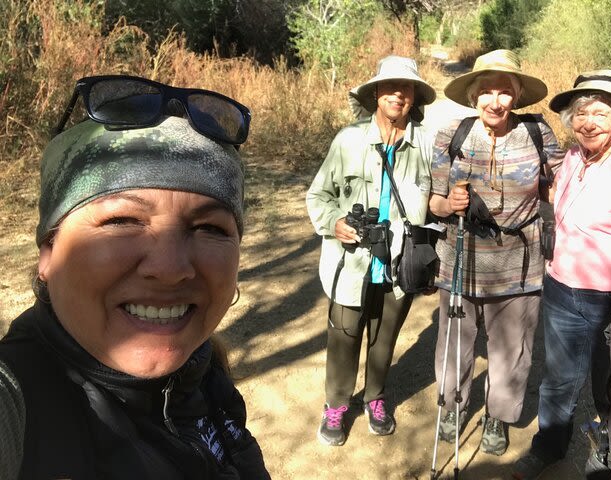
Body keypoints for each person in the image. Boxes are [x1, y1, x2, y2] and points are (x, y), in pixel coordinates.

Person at [0, 75, 270, 479]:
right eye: (122, 220)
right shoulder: (18, 401)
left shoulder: (203, 369)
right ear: (48, 254)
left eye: (209, 228)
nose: (171, 268)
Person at [512, 70, 611, 479]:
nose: (588, 122)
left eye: (600, 113)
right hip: (563, 291)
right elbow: (559, 204)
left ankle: (609, 453)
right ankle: (548, 448)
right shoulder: (571, 159)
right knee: (558, 382)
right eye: (581, 113)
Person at [429, 49, 563, 456]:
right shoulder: (451, 135)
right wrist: (447, 204)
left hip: (519, 262)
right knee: (455, 339)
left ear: (517, 96)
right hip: (461, 256)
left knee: (514, 347)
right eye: (486, 91)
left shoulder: (539, 134)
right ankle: (452, 405)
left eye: (504, 91)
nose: (495, 100)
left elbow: (557, 188)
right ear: (473, 96)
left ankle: (497, 416)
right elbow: (432, 202)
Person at [306, 55, 436, 446]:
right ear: (376, 94)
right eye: (391, 87)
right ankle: (337, 405)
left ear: (414, 98)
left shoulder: (426, 146)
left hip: (399, 263)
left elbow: (439, 201)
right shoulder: (348, 140)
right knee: (344, 336)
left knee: (385, 337)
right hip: (351, 262)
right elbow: (319, 195)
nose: (399, 94)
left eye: (407, 87)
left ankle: (376, 397)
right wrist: (334, 224)